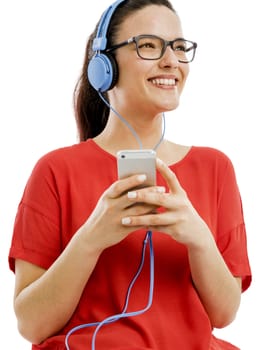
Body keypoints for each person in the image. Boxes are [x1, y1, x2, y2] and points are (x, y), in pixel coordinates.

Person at [8, 0, 252, 349]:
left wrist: (198, 237)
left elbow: (224, 314)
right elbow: (31, 325)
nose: (171, 61)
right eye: (149, 45)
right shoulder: (55, 170)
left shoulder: (215, 168)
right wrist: (92, 237)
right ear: (103, 67)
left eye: (179, 47)